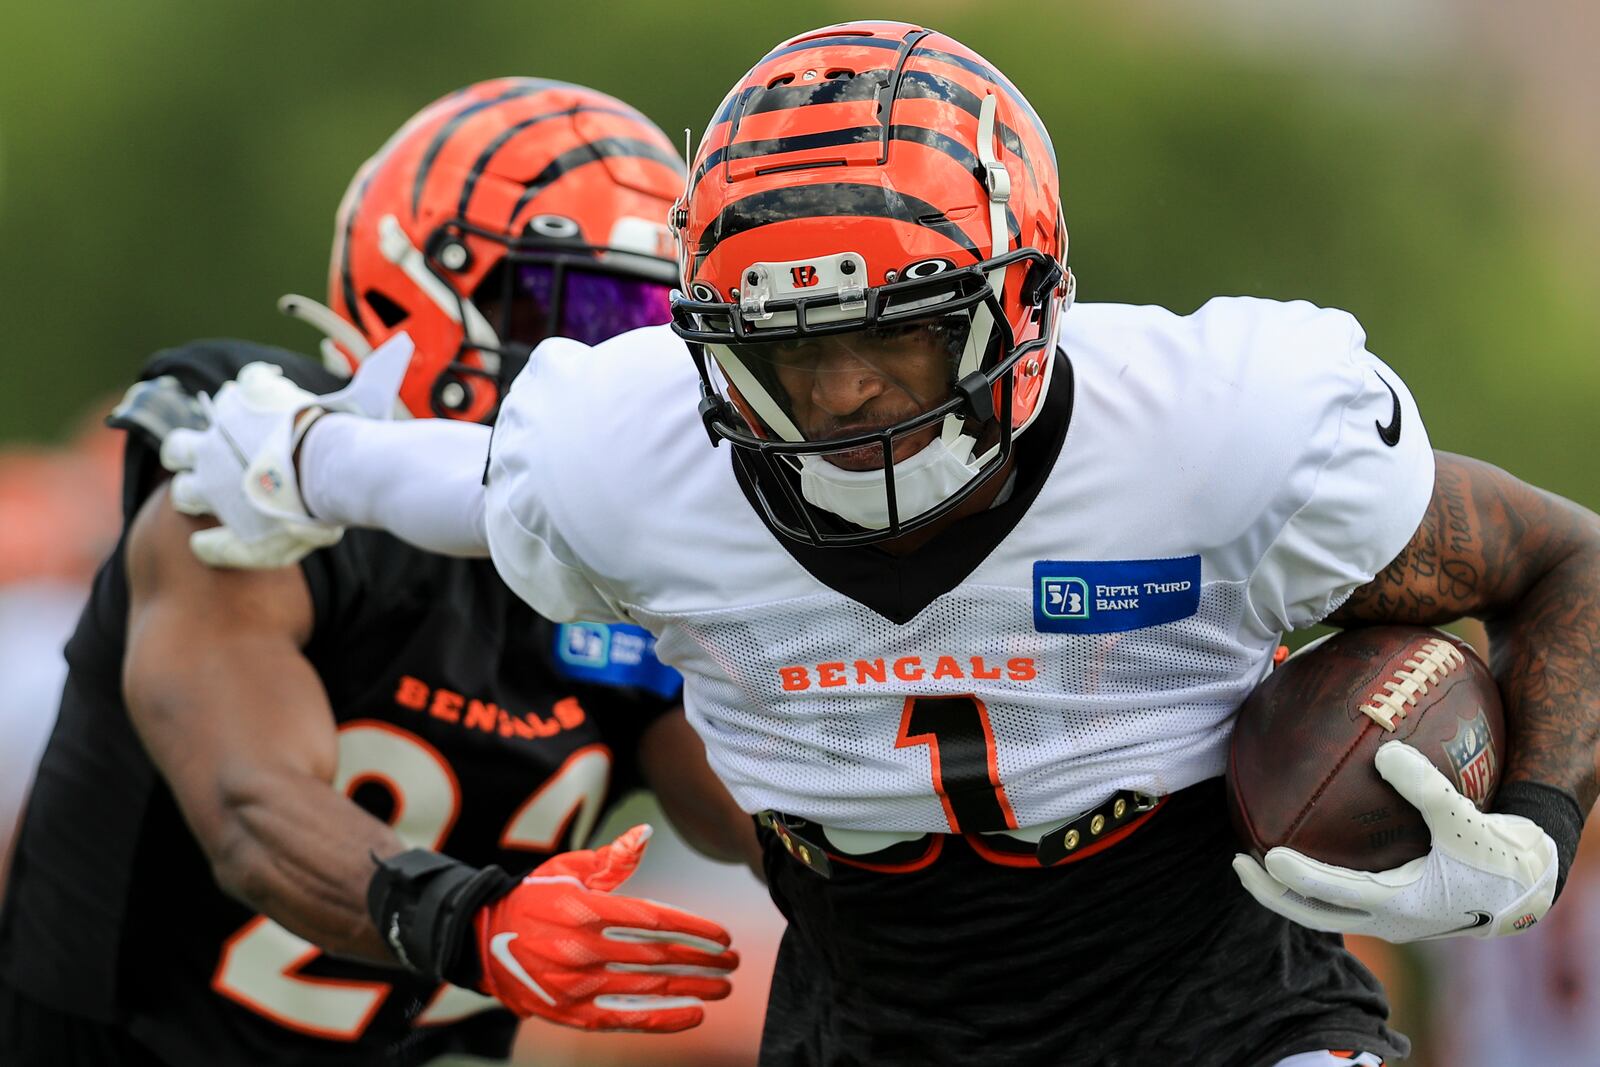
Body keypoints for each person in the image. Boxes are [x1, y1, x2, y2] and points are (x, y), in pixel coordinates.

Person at [162, 22, 1598, 1067]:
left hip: (1216, 998)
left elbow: (1566, 558)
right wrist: (296, 458)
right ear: (706, 348)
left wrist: (1536, 824)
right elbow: (472, 479)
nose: (846, 404)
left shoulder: (1222, 432)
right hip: (871, 1015)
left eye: (896, 344)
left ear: (1024, 302)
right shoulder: (631, 453)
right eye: (794, 359)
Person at [0, 78, 750, 1067]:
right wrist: (472, 923)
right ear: (414, 288)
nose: (606, 368)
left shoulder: (622, 547)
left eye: (649, 325)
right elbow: (250, 805)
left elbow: (772, 816)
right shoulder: (254, 457)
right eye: (580, 308)